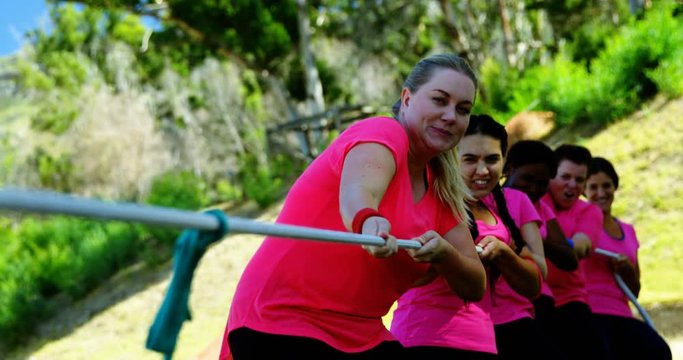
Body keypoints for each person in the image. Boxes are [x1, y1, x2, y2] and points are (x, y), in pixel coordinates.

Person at [219, 54, 487, 360]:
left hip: (361, 332)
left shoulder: (441, 189)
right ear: (407, 98)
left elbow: (474, 284)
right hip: (282, 318)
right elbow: (359, 191)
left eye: (463, 110)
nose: (451, 116)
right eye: (440, 100)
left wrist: (445, 255)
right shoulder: (383, 133)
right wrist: (368, 221)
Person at [390, 114, 547, 359]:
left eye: (492, 159)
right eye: (470, 159)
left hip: (481, 340)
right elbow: (405, 279)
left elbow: (534, 284)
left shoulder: (496, 214)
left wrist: (504, 253)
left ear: (504, 162)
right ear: (451, 159)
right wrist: (448, 258)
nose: (482, 170)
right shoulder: (426, 203)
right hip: (426, 337)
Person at [583, 157, 672, 359]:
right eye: (593, 187)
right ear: (584, 191)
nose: (601, 193)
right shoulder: (577, 226)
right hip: (590, 312)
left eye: (607, 185)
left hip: (621, 314)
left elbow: (635, 290)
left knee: (658, 351)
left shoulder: (628, 231)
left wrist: (627, 270)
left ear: (615, 186)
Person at [503, 140, 578, 346]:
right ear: (510, 169)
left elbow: (570, 259)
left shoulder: (541, 208)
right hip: (504, 301)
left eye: (542, 183)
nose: (534, 188)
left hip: (540, 298)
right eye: (527, 178)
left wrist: (534, 241)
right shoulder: (492, 200)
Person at [540, 144, 607, 359]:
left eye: (579, 180)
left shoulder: (589, 211)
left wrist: (540, 241)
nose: (572, 185)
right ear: (550, 176)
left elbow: (581, 245)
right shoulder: (535, 200)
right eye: (565, 176)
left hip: (570, 300)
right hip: (532, 297)